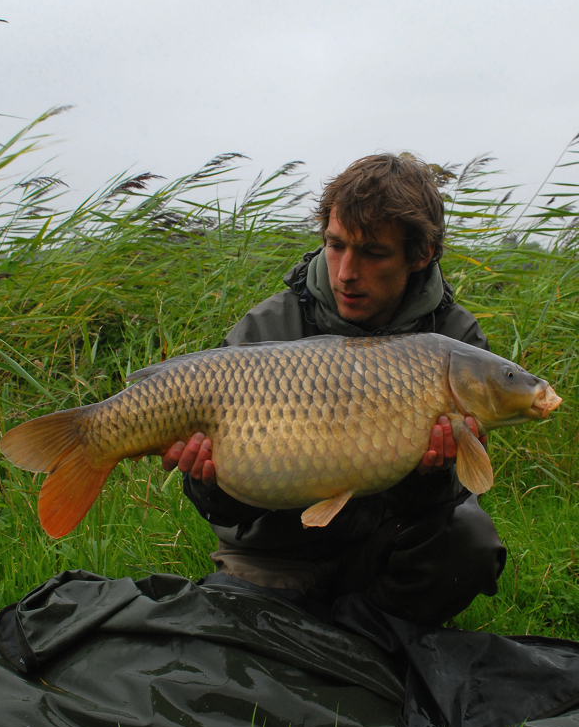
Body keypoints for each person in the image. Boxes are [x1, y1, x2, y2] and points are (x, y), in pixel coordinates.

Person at [161, 153, 506, 625]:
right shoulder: (267, 328)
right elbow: (223, 509)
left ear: (419, 255)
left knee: (470, 542)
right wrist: (205, 481)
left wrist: (427, 476)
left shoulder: (453, 343)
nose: (345, 271)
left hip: (384, 550)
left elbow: (447, 501)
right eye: (335, 245)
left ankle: (369, 638)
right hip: (276, 555)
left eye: (372, 253)